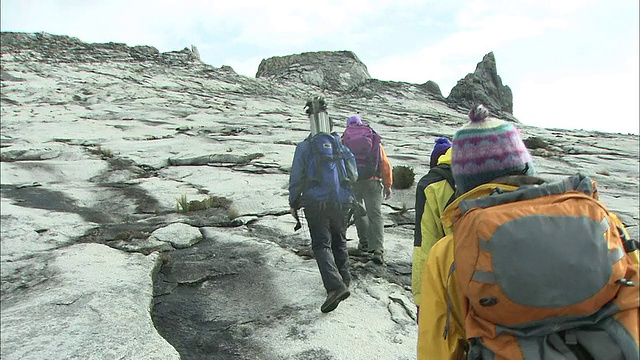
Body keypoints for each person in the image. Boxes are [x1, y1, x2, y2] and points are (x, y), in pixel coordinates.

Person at [416, 104, 639, 359]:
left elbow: (438, 349)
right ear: (526, 168)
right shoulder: (604, 221)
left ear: (464, 183)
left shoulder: (450, 252)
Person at [289, 98, 355, 313]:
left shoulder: (305, 147)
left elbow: (296, 176)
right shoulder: (341, 146)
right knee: (339, 240)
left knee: (321, 244)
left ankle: (335, 287)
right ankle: (344, 279)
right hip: (342, 200)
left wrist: (293, 201)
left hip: (316, 202)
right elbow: (354, 174)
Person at [412, 138, 454, 318]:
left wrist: (422, 300)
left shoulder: (432, 185)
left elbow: (425, 246)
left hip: (454, 284)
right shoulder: (508, 169)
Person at [342, 114, 393, 264]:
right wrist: (388, 185)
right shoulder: (372, 138)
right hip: (373, 182)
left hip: (353, 182)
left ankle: (364, 244)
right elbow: (385, 164)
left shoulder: (344, 140)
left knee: (359, 213)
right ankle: (377, 249)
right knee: (375, 215)